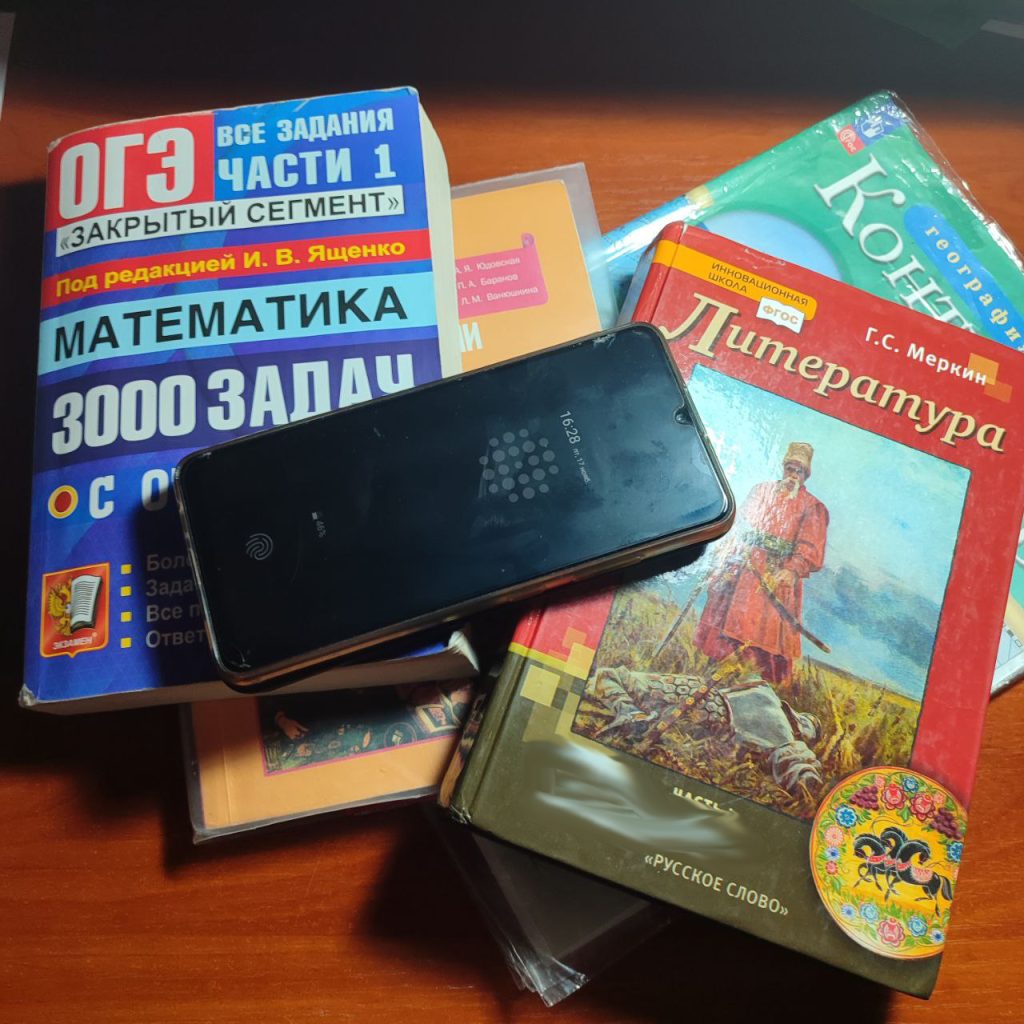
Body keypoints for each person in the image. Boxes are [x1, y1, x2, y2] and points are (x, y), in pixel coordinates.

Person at [694, 441, 829, 686]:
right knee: (727, 622)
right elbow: (739, 524)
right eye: (789, 468)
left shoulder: (813, 507)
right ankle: (713, 680)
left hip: (775, 576)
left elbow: (811, 546)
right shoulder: (761, 491)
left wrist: (793, 570)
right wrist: (724, 555)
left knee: (760, 633)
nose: (792, 475)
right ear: (783, 468)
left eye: (798, 471)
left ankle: (752, 686)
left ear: (805, 475)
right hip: (743, 568)